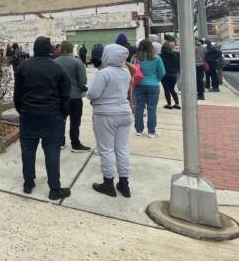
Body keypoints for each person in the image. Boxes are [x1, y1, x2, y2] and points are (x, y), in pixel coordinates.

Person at [13, 36, 72, 200]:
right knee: (52, 152)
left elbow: (17, 96)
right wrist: (62, 116)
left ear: (34, 49)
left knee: (28, 150)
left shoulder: (23, 68)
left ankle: (28, 183)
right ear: (50, 50)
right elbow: (65, 97)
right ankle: (54, 188)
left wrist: (22, 111)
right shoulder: (58, 69)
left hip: (28, 116)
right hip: (52, 117)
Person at [87, 44, 133, 197]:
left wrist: (88, 93)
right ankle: (124, 183)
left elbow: (93, 93)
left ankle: (108, 183)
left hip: (105, 114)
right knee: (122, 148)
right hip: (124, 113)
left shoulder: (104, 73)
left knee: (106, 149)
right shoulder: (126, 71)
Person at [54, 41, 91, 153]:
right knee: (75, 121)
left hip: (60, 96)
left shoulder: (55, 62)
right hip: (75, 96)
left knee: (61, 120)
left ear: (61, 50)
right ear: (71, 50)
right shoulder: (77, 62)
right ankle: (75, 143)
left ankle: (60, 142)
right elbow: (83, 80)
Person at [133, 39, 166, 138]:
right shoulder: (156, 58)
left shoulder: (135, 58)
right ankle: (151, 131)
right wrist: (156, 79)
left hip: (139, 85)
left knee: (139, 107)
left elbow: (132, 70)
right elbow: (162, 72)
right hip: (153, 85)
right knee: (152, 108)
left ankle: (139, 130)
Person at [160, 41, 181, 109]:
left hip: (164, 75)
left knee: (166, 89)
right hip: (173, 75)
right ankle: (177, 104)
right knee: (172, 89)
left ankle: (169, 104)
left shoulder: (160, 56)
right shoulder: (175, 55)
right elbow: (178, 65)